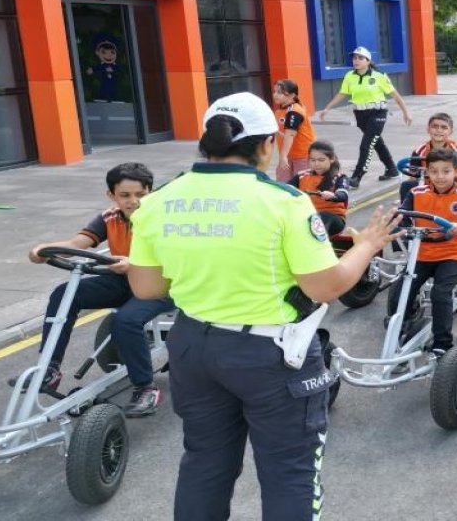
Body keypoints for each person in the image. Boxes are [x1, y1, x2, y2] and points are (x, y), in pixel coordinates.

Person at [126, 92, 400, 520]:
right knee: (290, 473)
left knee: (204, 463)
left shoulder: (159, 200)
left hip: (192, 346)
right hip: (269, 354)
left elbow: (146, 287)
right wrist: (366, 245)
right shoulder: (283, 202)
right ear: (267, 145)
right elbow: (326, 286)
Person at [19, 163, 173, 417]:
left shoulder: (164, 218)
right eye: (125, 195)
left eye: (140, 194)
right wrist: (43, 249)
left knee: (125, 320)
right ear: (111, 195)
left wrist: (133, 264)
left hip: (160, 283)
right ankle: (50, 369)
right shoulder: (109, 218)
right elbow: (75, 244)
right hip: (124, 281)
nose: (133, 201)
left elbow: (177, 257)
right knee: (64, 294)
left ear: (150, 192)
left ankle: (146, 388)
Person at [396, 147, 457, 353]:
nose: (440, 176)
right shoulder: (416, 193)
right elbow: (402, 216)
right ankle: (401, 327)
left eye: (446, 171)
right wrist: (400, 224)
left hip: (455, 252)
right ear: (427, 172)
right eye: (434, 171)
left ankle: (442, 343)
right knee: (402, 289)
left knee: (440, 292)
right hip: (423, 253)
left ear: (456, 172)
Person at [317, 46, 414, 189]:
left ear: (368, 61)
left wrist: (406, 112)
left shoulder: (379, 76)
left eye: (360, 58)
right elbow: (342, 93)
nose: (356, 61)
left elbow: (395, 95)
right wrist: (328, 108)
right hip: (361, 115)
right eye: (354, 58)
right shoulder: (350, 76)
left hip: (377, 113)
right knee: (377, 143)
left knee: (366, 145)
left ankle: (356, 177)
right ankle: (392, 170)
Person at [400, 112, 457, 204]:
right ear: (428, 129)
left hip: (452, 187)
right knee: (407, 185)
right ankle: (405, 211)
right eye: (435, 126)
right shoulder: (419, 151)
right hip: (427, 188)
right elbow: (413, 177)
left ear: (451, 131)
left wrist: (437, 176)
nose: (439, 130)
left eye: (444, 127)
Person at [290, 140, 351, 236]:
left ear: (332, 159)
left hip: (333, 219)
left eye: (321, 160)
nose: (316, 164)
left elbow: (343, 194)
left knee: (321, 218)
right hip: (307, 216)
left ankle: (317, 241)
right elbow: (286, 188)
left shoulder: (340, 177)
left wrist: (333, 196)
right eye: (313, 160)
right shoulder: (301, 176)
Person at [272, 79, 316, 183]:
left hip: (302, 155)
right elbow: (286, 134)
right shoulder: (279, 111)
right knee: (283, 183)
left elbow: (290, 135)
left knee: (303, 184)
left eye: (280, 93)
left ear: (292, 95)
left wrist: (283, 156)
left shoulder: (294, 111)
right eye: (274, 91)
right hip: (288, 155)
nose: (275, 95)